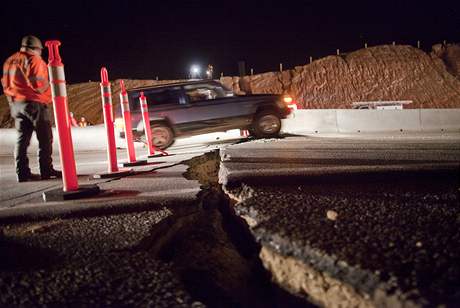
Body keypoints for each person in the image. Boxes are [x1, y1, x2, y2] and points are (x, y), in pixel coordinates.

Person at [1, 35, 62, 182]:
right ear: (36, 48)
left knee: (22, 139)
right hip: (34, 103)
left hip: (16, 104)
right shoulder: (34, 60)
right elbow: (39, 84)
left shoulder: (10, 60)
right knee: (45, 138)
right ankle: (46, 170)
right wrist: (52, 95)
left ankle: (22, 173)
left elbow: (5, 83)